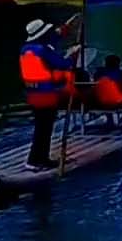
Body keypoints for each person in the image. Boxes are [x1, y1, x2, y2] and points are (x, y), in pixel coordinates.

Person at [18, 19, 74, 169]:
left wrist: (63, 29)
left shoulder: (25, 49)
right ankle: (38, 160)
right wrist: (72, 55)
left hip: (32, 95)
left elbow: (53, 39)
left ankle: (38, 159)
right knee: (45, 129)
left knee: (40, 128)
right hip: (46, 96)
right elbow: (63, 64)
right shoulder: (43, 50)